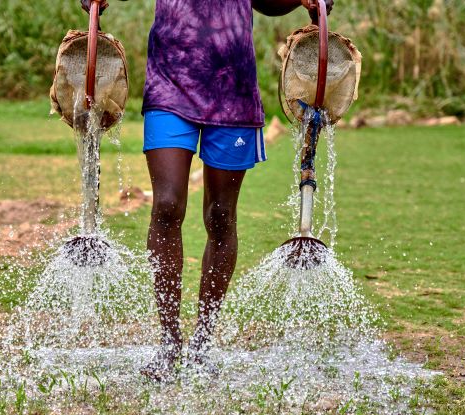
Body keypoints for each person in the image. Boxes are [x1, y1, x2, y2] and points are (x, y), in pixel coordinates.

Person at [81, 0, 334, 381]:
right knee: (166, 205)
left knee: (220, 215)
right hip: (169, 86)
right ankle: (168, 343)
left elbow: (267, 3)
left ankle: (202, 343)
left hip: (232, 90)